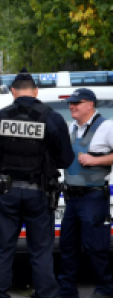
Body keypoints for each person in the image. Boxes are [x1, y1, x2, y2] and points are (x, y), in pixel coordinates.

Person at [0, 68, 74, 298]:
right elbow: (66, 159)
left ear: (13, 91)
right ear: (36, 91)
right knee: (41, 250)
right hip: (39, 193)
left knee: (2, 248)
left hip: (6, 191)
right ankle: (45, 294)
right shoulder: (52, 118)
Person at [59, 88, 113, 298]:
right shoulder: (71, 128)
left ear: (90, 104)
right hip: (71, 197)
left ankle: (104, 289)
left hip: (93, 196)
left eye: (77, 102)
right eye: (70, 103)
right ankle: (67, 291)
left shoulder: (106, 126)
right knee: (67, 245)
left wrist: (95, 160)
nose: (72, 106)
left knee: (95, 247)